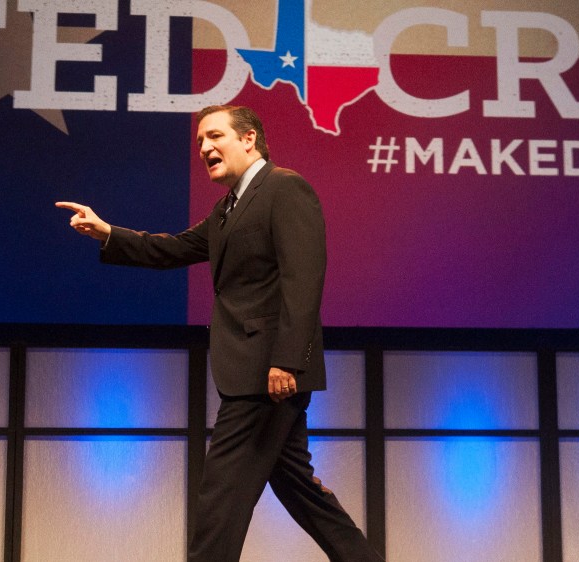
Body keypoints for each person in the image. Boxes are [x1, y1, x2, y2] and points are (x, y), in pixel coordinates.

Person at [56, 105, 383, 562]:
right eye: (200, 143)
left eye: (215, 136)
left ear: (249, 139)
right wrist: (109, 232)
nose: (205, 148)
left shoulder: (284, 188)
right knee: (302, 495)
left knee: (221, 499)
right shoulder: (228, 208)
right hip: (250, 371)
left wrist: (287, 359)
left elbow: (303, 279)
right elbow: (173, 248)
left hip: (266, 374)